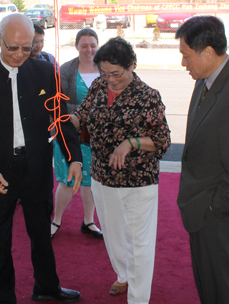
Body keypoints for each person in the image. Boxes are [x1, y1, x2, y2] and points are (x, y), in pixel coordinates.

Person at [0, 13, 83, 304]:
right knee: (0, 240)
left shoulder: (44, 72)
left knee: (41, 234)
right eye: (12, 47)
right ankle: (1, 298)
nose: (19, 55)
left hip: (36, 168)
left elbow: (61, 118)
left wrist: (74, 158)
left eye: (27, 48)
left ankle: (46, 287)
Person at [71, 37, 171, 302]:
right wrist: (62, 119)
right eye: (105, 73)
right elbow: (81, 114)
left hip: (138, 181)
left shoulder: (148, 96)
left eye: (116, 74)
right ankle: (123, 275)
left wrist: (132, 142)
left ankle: (138, 298)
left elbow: (162, 141)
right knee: (113, 236)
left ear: (132, 66)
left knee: (139, 245)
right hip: (102, 177)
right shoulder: (99, 86)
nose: (110, 80)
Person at [175, 16, 229, 304]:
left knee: (221, 290)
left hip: (218, 217)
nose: (184, 64)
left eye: (187, 56)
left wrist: (212, 209)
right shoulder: (207, 79)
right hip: (202, 207)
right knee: (208, 287)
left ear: (208, 52)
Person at [51, 28, 103, 239]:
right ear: (76, 47)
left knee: (90, 180)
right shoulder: (66, 70)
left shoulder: (105, 67)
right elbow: (58, 105)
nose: (89, 50)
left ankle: (89, 221)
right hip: (70, 134)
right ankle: (56, 221)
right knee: (66, 180)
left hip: (96, 136)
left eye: (93, 45)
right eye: (84, 45)